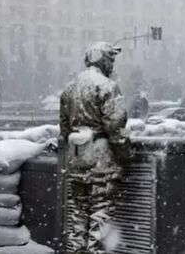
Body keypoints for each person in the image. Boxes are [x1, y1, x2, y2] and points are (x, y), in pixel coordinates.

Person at [60, 42, 133, 254]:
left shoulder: (70, 88)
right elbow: (116, 127)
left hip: (77, 160)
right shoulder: (107, 86)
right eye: (111, 59)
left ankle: (76, 250)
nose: (112, 64)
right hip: (101, 161)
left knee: (79, 212)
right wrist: (126, 155)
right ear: (103, 60)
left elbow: (64, 127)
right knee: (101, 214)